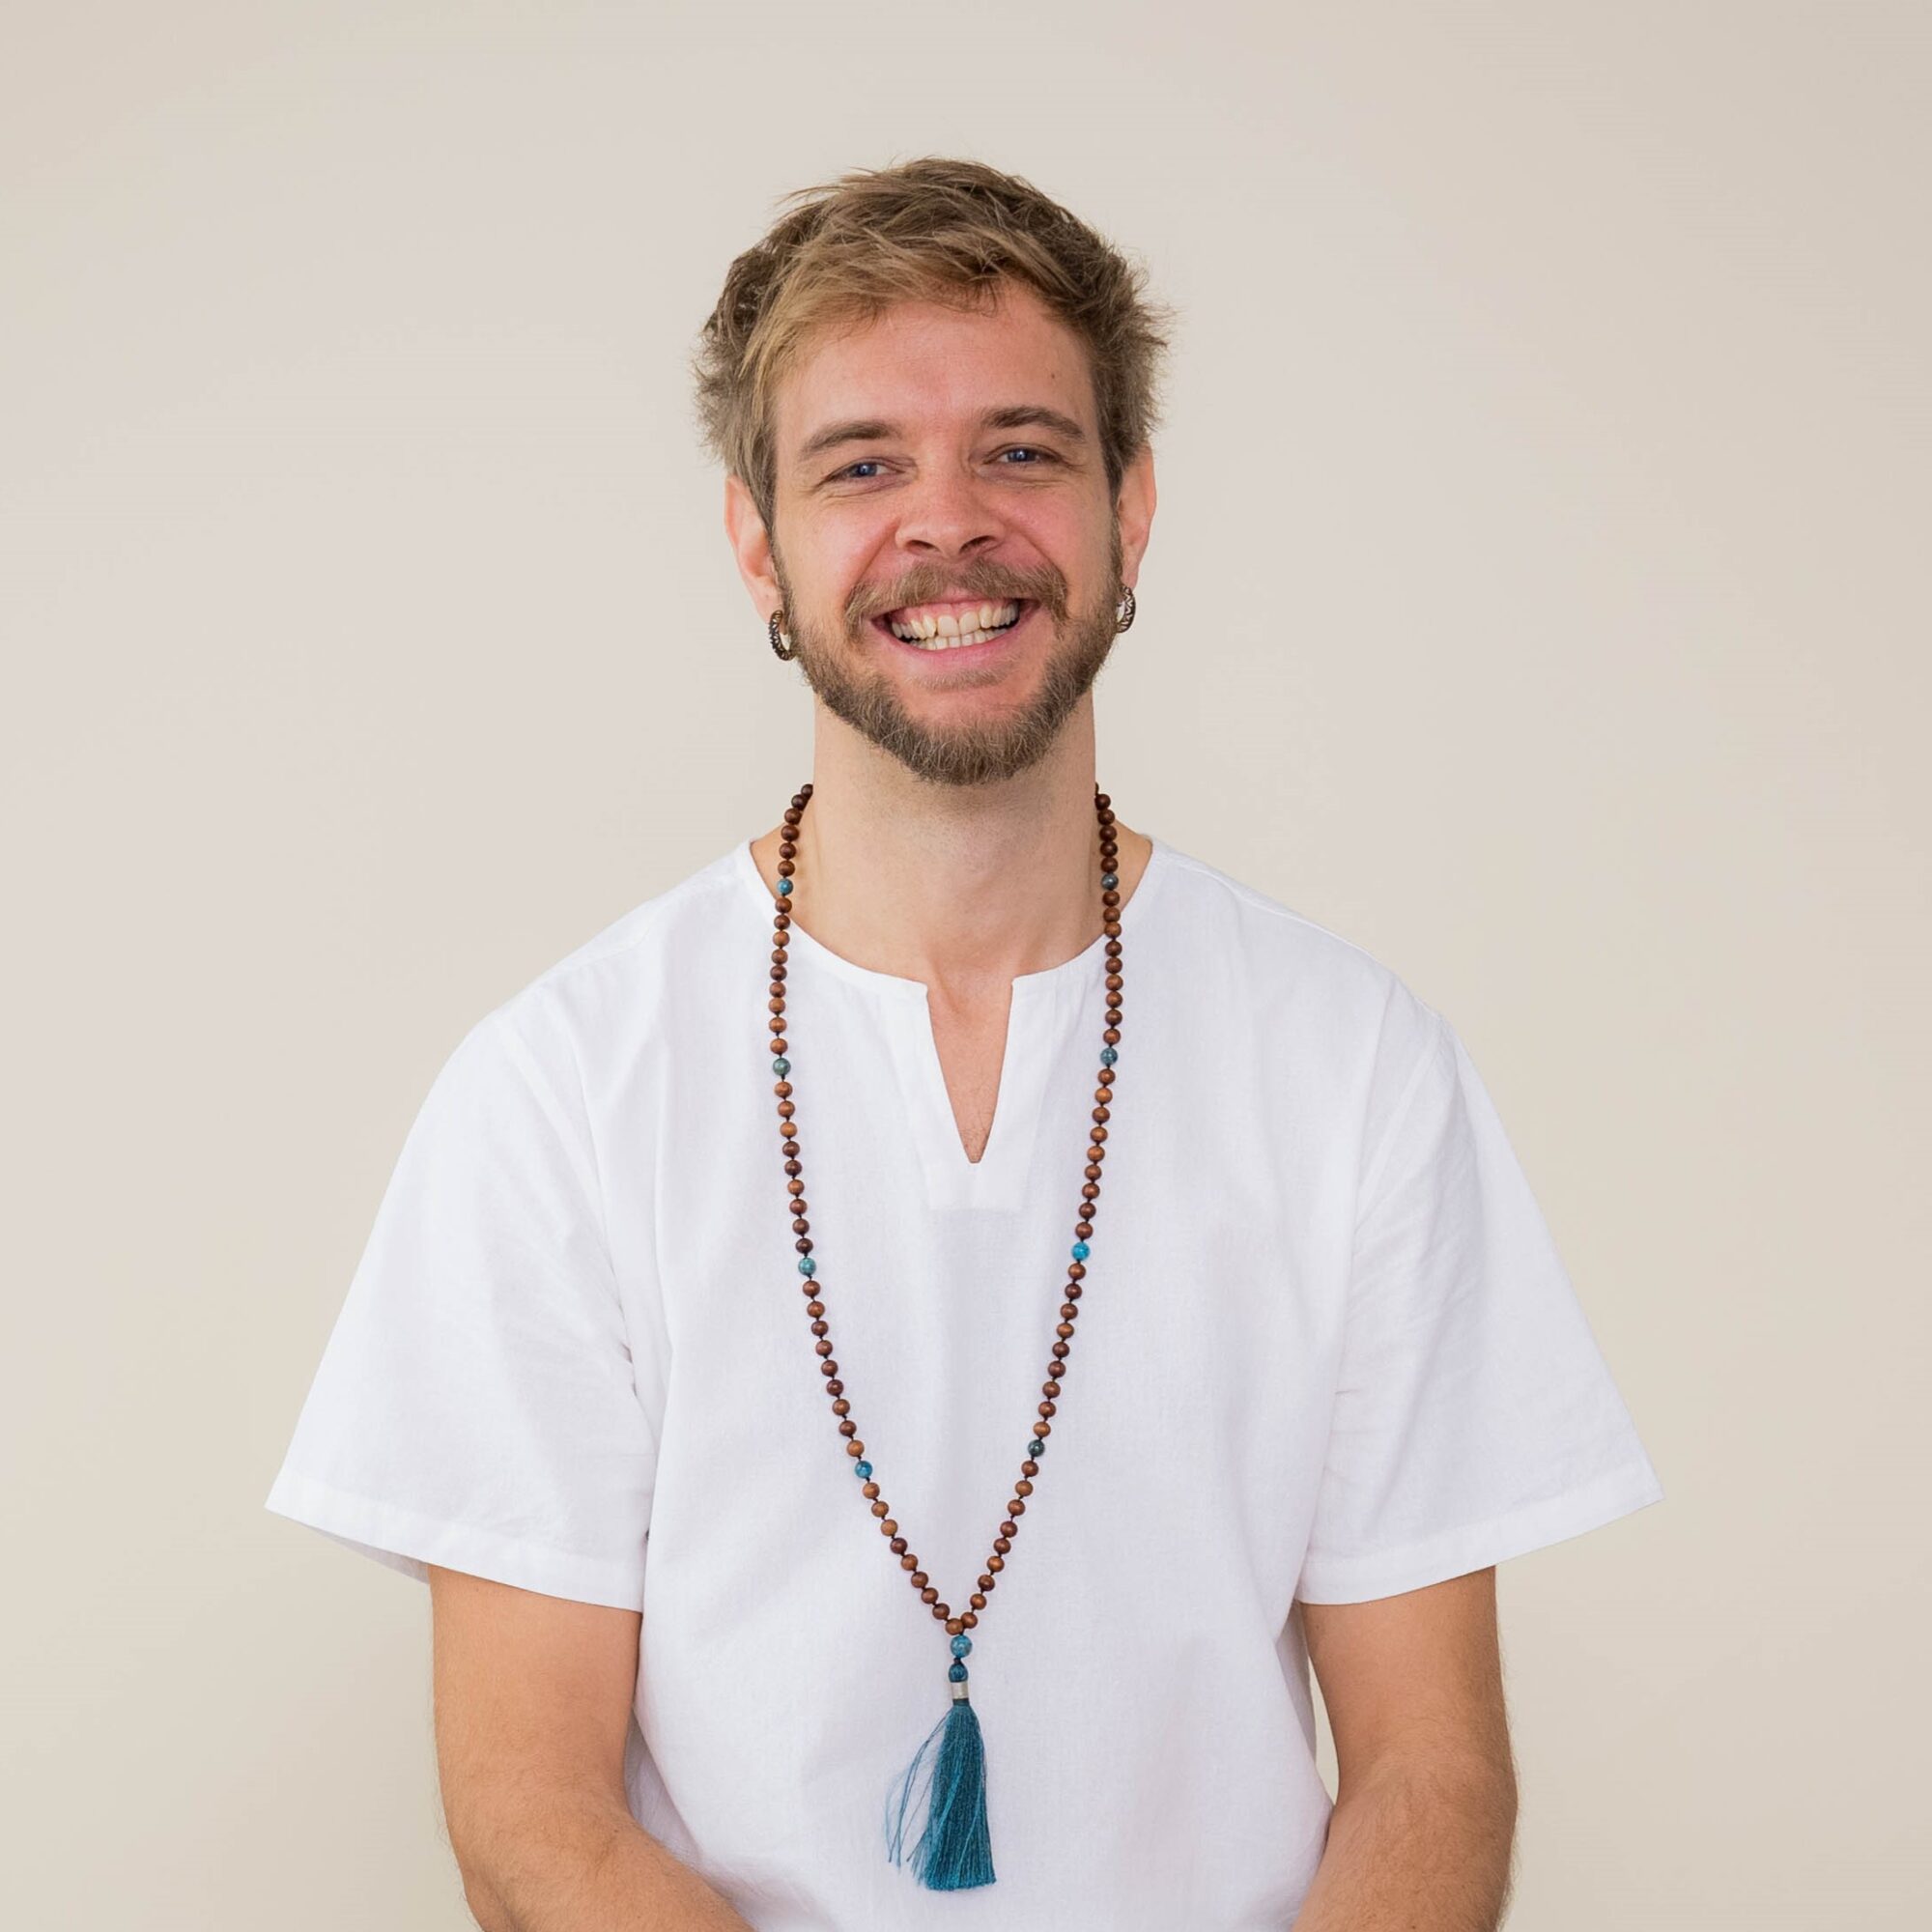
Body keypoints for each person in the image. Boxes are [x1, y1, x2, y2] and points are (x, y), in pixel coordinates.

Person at [266, 156, 1664, 1931]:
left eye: (1023, 449)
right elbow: (529, 1809)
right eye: (862, 465)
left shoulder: (1354, 1069)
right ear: (757, 542)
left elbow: (1430, 1775)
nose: (949, 524)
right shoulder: (560, 1092)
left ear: (1129, 511)